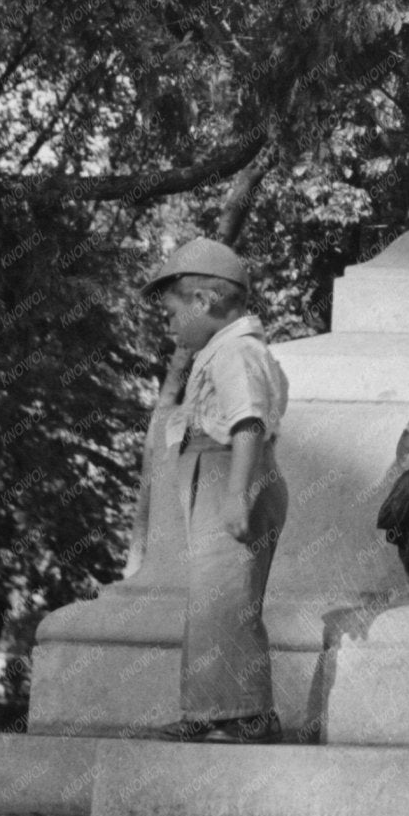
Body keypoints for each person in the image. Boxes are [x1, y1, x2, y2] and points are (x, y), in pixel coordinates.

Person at [135, 236, 290, 742]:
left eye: (173, 312)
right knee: (212, 601)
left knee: (226, 601)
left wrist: (236, 495)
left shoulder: (237, 353)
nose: (170, 323)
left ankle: (247, 715)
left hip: (230, 473)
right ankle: (210, 711)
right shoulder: (223, 352)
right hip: (216, 474)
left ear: (204, 302)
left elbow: (247, 424)